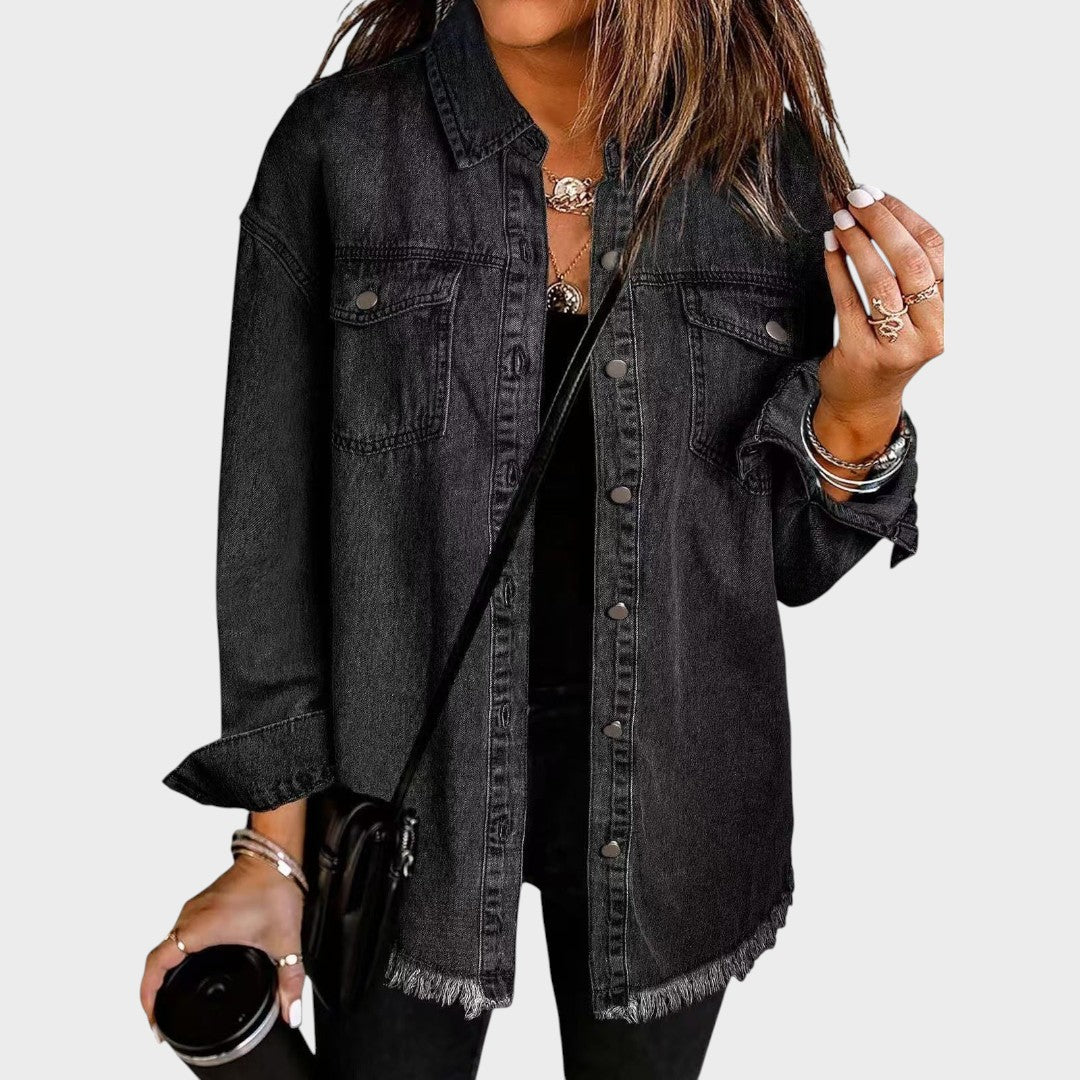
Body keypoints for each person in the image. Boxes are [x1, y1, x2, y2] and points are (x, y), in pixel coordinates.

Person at [140, 1, 944, 1076]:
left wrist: (866, 400)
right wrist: (270, 852)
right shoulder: (340, 149)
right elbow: (269, 534)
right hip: (398, 799)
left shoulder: (765, 171)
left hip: (679, 804)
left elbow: (789, 566)